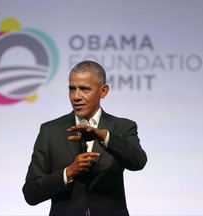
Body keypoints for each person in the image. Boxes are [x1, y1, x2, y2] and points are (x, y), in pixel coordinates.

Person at [22, 60, 147, 216]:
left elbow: (138, 161)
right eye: (72, 89)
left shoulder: (122, 127)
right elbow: (31, 193)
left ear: (103, 91)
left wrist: (103, 137)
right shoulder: (50, 131)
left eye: (84, 89)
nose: (76, 96)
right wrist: (68, 173)